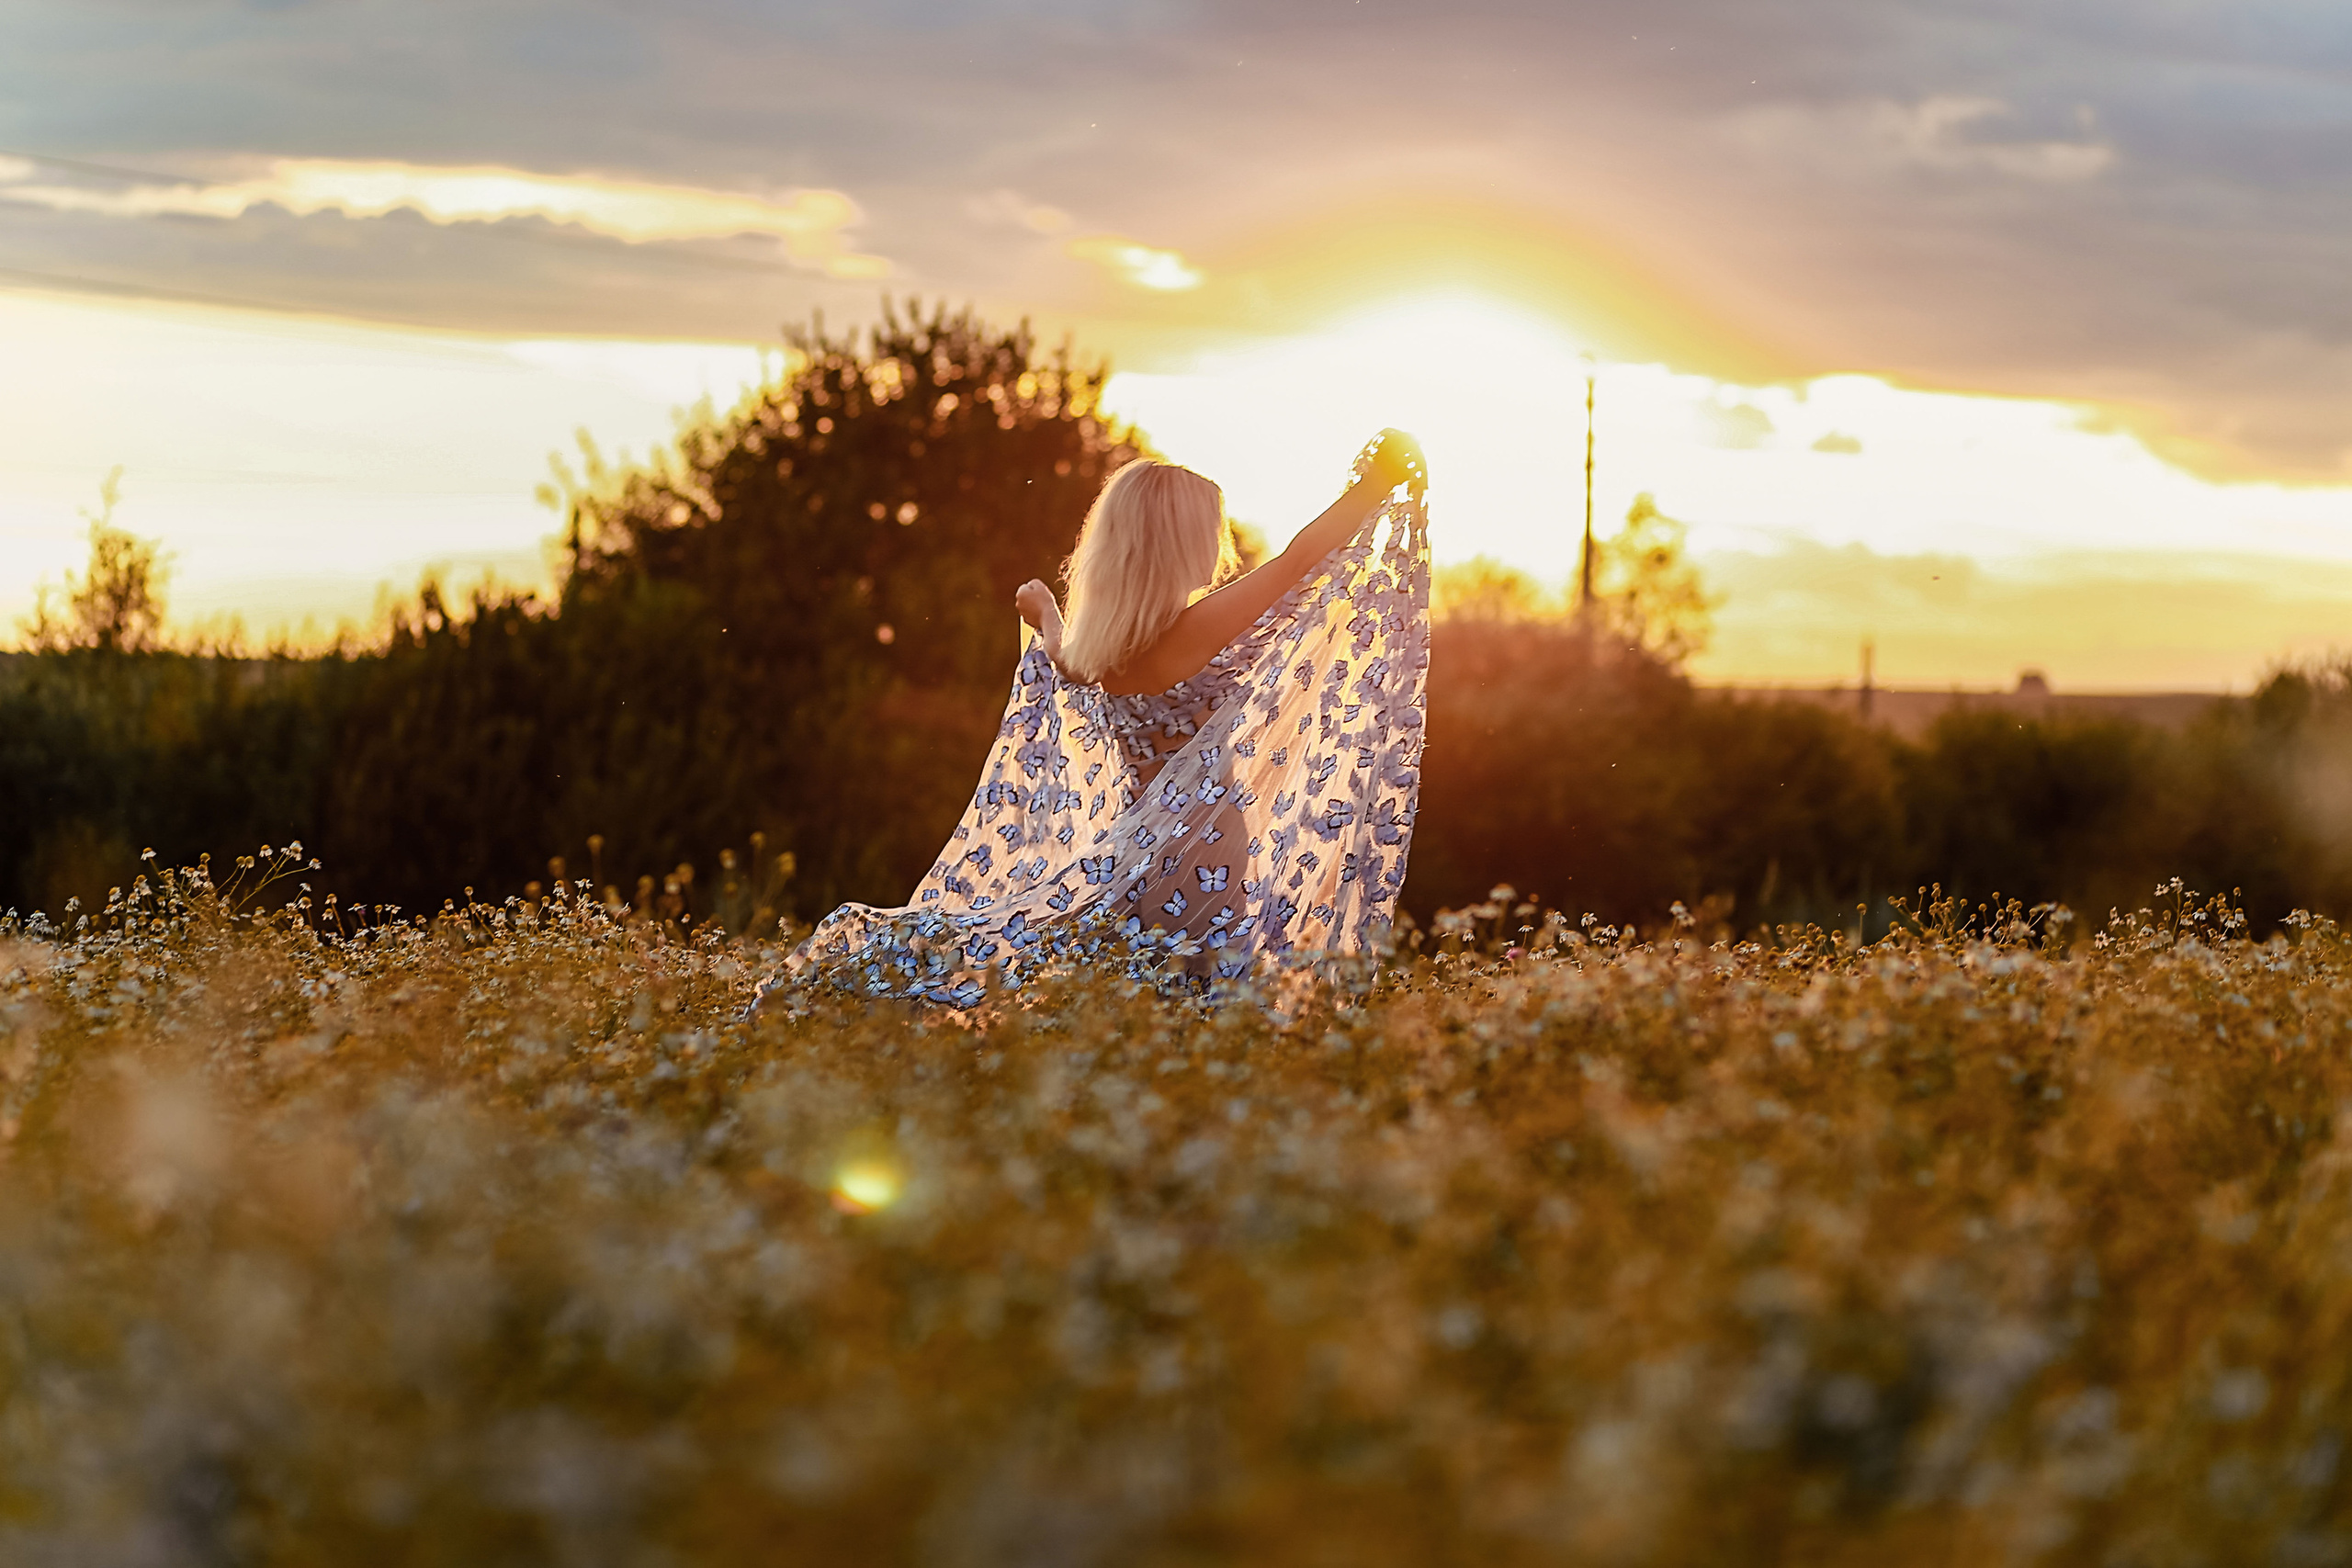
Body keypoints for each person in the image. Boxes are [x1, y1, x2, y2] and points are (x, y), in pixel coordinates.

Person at [756, 428, 1430, 1011]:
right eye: (1209, 533)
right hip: (1209, 860)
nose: (1218, 547)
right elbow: (1296, 562)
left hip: (1137, 861)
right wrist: (1370, 487)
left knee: (1149, 1000)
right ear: (1181, 545)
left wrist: (1044, 611)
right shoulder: (1191, 633)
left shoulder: (1097, 653)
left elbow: (1059, 654)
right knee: (1203, 1012)